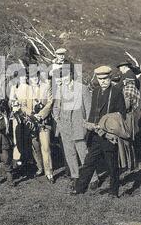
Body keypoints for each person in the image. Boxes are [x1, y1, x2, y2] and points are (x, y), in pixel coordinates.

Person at [72, 66, 126, 197]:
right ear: (97, 78)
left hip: (108, 134)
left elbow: (121, 114)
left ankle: (113, 191)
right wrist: (89, 128)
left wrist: (110, 129)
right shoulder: (95, 91)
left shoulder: (117, 92)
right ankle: (80, 188)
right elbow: (92, 112)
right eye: (100, 79)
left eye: (105, 79)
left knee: (112, 164)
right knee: (89, 162)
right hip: (95, 133)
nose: (103, 81)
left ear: (110, 77)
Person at [52, 66, 100, 190]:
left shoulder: (82, 88)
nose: (64, 79)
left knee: (83, 152)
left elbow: (89, 108)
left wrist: (88, 125)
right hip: (65, 126)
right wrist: (58, 120)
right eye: (62, 77)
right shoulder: (59, 90)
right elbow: (56, 107)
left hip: (79, 125)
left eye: (66, 76)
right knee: (70, 153)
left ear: (72, 75)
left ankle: (93, 178)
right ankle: (75, 176)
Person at [14, 69, 55, 183]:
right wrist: (32, 115)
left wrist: (40, 115)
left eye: (35, 76)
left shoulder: (46, 87)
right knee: (35, 147)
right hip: (31, 123)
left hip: (43, 123)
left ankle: (49, 172)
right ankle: (40, 167)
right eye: (31, 77)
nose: (34, 79)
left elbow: (50, 103)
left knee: (45, 147)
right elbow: (23, 105)